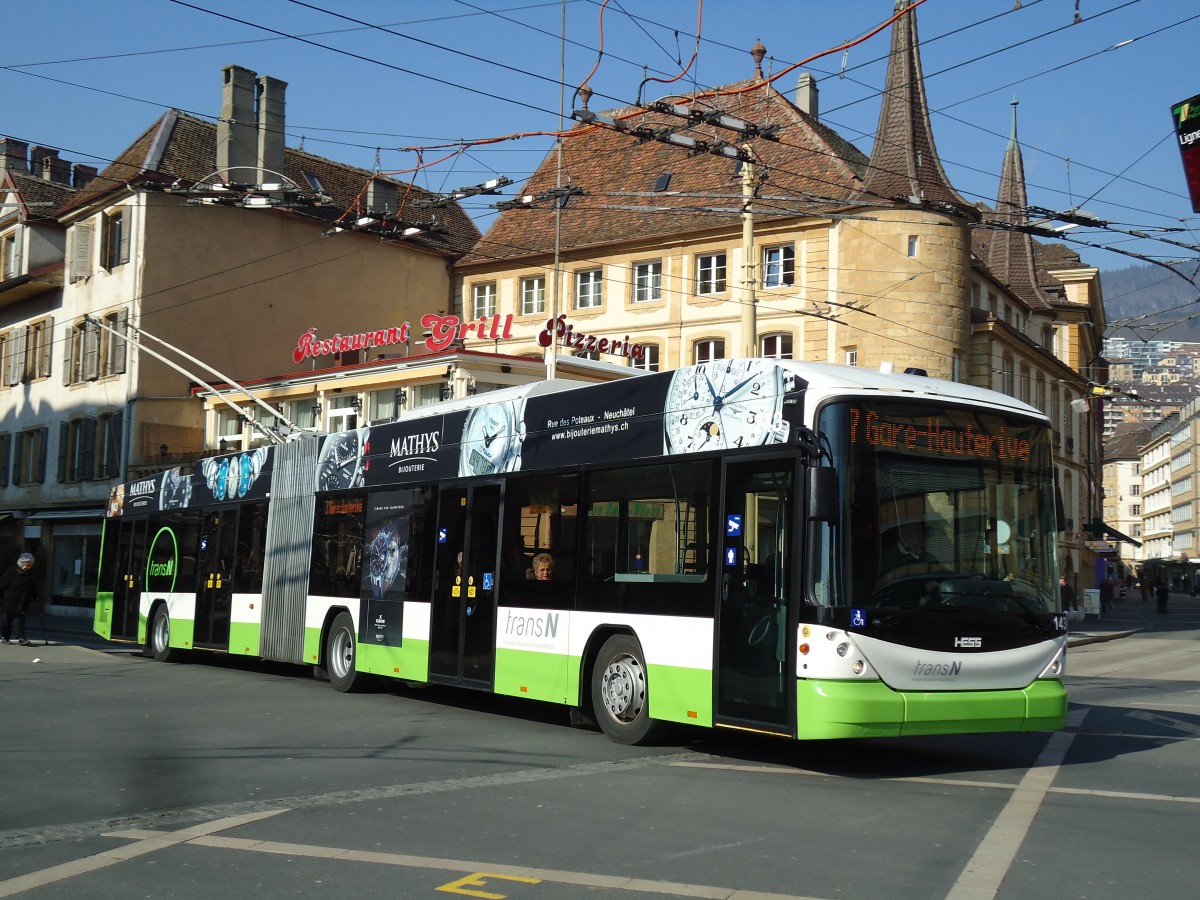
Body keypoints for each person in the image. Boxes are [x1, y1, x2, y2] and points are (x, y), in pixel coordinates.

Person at [0, 553, 36, 646]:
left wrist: (36, 596)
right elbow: (2, 585)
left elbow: (32, 586)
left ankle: (22, 638)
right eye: (25, 564)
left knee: (21, 621)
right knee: (7, 620)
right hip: (9, 600)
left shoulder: (30, 573)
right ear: (20, 563)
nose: (27, 566)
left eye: (29, 565)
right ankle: (5, 637)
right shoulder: (11, 571)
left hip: (23, 601)